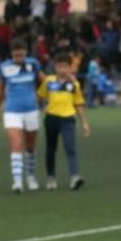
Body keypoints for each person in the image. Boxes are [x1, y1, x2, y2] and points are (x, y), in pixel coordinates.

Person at [0, 39, 44, 193]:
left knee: (30, 147)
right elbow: (1, 90)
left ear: (26, 53)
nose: (19, 59)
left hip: (31, 110)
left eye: (21, 55)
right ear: (11, 54)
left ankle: (31, 177)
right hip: (12, 111)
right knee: (16, 145)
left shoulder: (33, 64)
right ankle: (17, 182)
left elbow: (45, 81)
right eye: (16, 56)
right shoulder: (4, 67)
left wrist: (39, 95)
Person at [37, 52, 90, 190]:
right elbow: (39, 97)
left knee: (70, 147)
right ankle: (51, 177)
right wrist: (35, 113)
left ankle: (75, 177)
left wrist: (84, 123)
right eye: (59, 67)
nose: (62, 70)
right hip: (51, 118)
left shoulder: (74, 84)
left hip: (67, 119)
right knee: (51, 149)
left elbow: (78, 104)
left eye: (65, 67)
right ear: (55, 67)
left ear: (70, 68)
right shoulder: (49, 81)